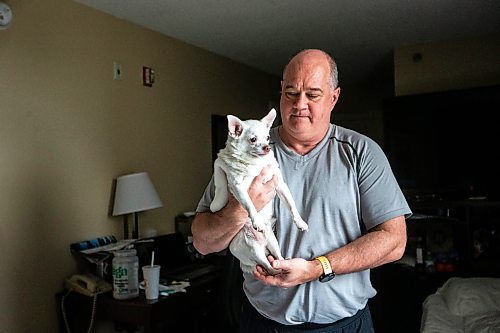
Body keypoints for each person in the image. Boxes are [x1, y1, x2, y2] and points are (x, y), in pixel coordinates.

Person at [191, 49, 412, 333]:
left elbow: (394, 241)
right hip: (263, 324)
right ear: (281, 93)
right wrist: (241, 207)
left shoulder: (361, 153)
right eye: (291, 93)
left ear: (334, 97)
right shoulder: (244, 152)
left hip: (344, 326)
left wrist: (318, 267)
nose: (300, 105)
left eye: (313, 94)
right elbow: (202, 241)